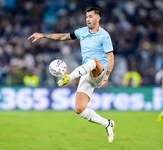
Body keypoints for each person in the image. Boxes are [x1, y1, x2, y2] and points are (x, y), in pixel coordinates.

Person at [28, 7, 115, 143]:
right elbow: (63, 36)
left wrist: (107, 75)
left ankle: (68, 77)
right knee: (79, 109)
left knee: (93, 61)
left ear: (98, 18)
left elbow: (110, 57)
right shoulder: (81, 32)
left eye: (91, 16)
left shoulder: (104, 35)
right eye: (86, 16)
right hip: (86, 73)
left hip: (99, 70)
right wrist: (43, 35)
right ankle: (107, 123)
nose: (88, 19)